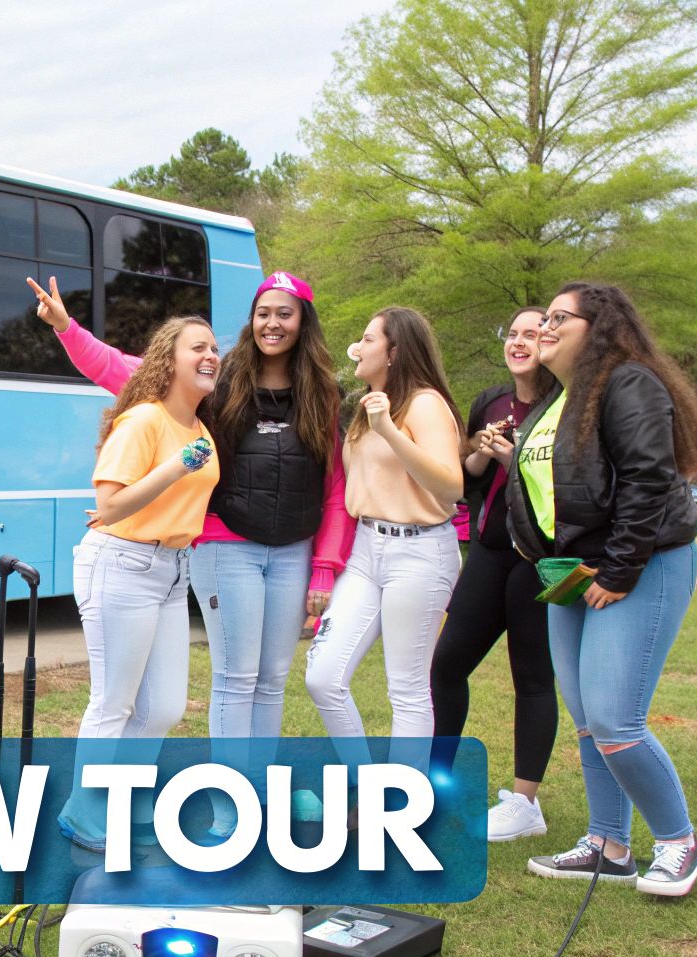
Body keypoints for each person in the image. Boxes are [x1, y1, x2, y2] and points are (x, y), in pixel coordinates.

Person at [28, 272, 349, 838]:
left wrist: (323, 564)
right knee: (162, 692)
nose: (272, 323)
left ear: (304, 322)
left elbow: (334, 486)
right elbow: (122, 370)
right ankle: (118, 809)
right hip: (175, 556)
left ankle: (215, 800)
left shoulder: (306, 399)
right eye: (262, 312)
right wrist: (68, 328)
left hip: (193, 563)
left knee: (202, 696)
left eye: (286, 313)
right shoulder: (200, 398)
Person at [507, 282, 697, 897]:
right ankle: (608, 844)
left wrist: (621, 570)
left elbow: (649, 479)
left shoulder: (628, 383)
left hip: (637, 568)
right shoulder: (557, 400)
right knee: (585, 719)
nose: (543, 327)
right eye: (542, 317)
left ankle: (679, 843)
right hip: (567, 573)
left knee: (615, 719)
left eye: (557, 318)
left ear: (598, 327)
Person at [56, 315, 220, 850]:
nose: (211, 355)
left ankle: (118, 796)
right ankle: (85, 811)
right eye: (199, 347)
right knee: (113, 703)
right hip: (123, 565)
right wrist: (173, 469)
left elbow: (177, 503)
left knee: (166, 706)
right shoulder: (144, 420)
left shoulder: (199, 430)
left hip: (173, 571)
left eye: (215, 348)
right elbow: (110, 504)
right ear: (168, 359)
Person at [303, 307, 463, 764]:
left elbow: (451, 485)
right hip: (367, 549)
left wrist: (389, 430)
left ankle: (402, 809)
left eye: (368, 339)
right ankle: (367, 782)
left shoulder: (423, 404)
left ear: (394, 352)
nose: (358, 345)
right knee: (322, 675)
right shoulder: (366, 407)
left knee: (407, 687)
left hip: (420, 551)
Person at [429, 307, 560, 842]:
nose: (520, 341)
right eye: (513, 332)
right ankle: (435, 785)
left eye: (533, 333)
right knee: (446, 663)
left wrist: (517, 455)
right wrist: (483, 454)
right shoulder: (490, 400)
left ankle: (525, 804)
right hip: (487, 550)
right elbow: (464, 482)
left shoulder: (564, 404)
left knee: (530, 676)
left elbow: (561, 479)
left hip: (537, 557)